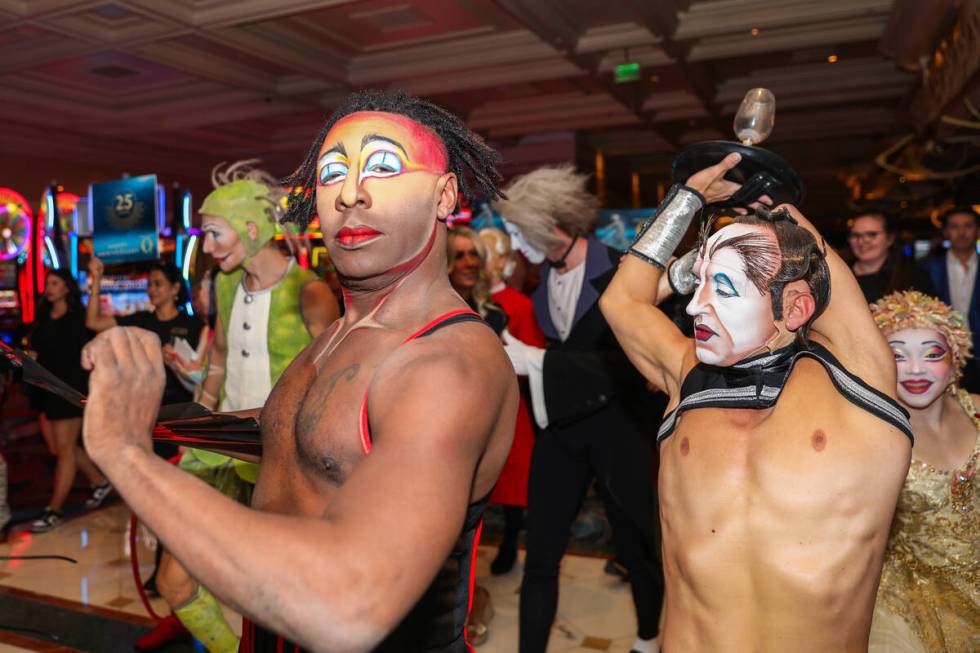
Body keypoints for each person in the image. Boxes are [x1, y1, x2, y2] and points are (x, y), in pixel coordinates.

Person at [79, 89, 518, 652]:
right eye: (333, 172)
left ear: (445, 195)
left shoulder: (445, 365)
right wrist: (142, 407)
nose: (351, 194)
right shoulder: (338, 334)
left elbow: (349, 605)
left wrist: (124, 452)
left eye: (383, 167)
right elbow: (294, 434)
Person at [599, 152, 914, 651]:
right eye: (697, 283)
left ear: (795, 307)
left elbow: (821, 275)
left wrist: (772, 202)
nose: (697, 303)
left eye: (720, 287)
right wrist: (688, 201)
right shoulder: (687, 376)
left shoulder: (858, 381)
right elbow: (622, 301)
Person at [136, 164, 339, 652]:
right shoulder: (225, 285)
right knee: (174, 582)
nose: (205, 248)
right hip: (222, 451)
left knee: (278, 600)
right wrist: (193, 439)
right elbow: (219, 363)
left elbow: (333, 393)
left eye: (212, 234)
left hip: (283, 465)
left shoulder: (309, 293)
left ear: (251, 230)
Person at [494, 165, 665, 653]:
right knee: (541, 553)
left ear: (551, 226)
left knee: (636, 547)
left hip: (619, 430)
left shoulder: (619, 271)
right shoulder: (542, 277)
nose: (514, 243)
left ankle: (649, 639)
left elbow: (635, 363)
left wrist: (538, 360)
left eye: (519, 231)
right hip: (561, 432)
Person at [868, 290, 979, 653]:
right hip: (909, 600)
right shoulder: (871, 437)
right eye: (897, 355)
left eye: (932, 354)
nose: (916, 369)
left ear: (956, 357)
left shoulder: (978, 410)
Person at [478, 226, 545, 576]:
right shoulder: (465, 299)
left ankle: (509, 542)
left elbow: (535, 358)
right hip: (472, 403)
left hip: (511, 403)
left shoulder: (519, 305)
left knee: (514, 477)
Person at [28, 269, 109, 532]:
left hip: (71, 391)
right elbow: (37, 353)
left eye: (55, 283)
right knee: (63, 447)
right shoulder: (43, 318)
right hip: (47, 391)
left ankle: (54, 510)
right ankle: (99, 481)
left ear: (66, 288)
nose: (49, 288)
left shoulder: (78, 319)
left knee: (64, 449)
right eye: (48, 283)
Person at [86, 259, 204, 411]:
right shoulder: (141, 320)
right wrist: (96, 279)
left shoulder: (194, 325)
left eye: (158, 284)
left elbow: (204, 371)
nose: (152, 289)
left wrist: (176, 361)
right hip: (145, 407)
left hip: (182, 408)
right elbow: (93, 322)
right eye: (149, 284)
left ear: (175, 288)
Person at [921, 207, 980, 392]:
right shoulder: (927, 269)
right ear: (946, 232)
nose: (961, 232)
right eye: (955, 227)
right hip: (943, 354)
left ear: (977, 231)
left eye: (968, 226)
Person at [847, 212, 932, 303]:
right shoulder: (838, 274)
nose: (861, 242)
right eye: (855, 235)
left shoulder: (914, 277)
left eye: (871, 235)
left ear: (890, 239)